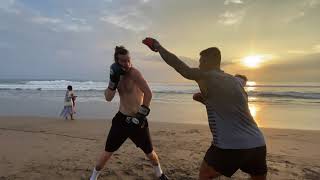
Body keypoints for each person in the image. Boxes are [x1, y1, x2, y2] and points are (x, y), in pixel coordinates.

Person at [143, 38, 267, 180]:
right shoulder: (234, 81)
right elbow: (234, 101)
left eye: (201, 62)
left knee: (205, 174)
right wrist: (208, 101)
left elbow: (181, 68)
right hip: (257, 143)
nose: (199, 65)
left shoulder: (208, 76)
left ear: (208, 62)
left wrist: (158, 47)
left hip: (229, 145)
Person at [89, 46, 168, 180]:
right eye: (123, 61)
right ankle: (93, 177)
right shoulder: (116, 75)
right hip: (121, 120)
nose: (127, 64)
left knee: (150, 153)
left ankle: (160, 174)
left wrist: (142, 114)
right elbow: (108, 98)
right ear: (117, 61)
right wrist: (112, 82)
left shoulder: (135, 73)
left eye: (128, 60)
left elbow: (148, 93)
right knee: (107, 152)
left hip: (138, 120)